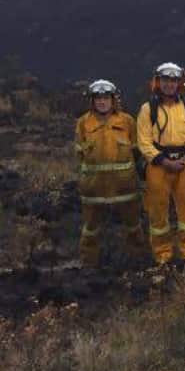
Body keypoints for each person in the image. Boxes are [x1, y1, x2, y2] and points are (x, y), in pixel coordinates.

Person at [74, 79, 146, 266]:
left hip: (125, 187)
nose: (102, 102)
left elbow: (137, 151)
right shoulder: (83, 123)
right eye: (98, 99)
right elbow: (79, 154)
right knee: (90, 229)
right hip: (94, 189)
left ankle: (137, 261)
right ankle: (88, 265)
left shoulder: (127, 121)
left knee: (133, 226)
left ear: (113, 100)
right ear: (92, 101)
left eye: (106, 98)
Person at [137, 62, 185, 265]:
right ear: (158, 82)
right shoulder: (148, 109)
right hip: (158, 165)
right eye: (165, 80)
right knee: (158, 212)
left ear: (180, 83)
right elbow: (144, 142)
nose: (169, 85)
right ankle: (162, 256)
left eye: (174, 80)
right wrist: (163, 161)